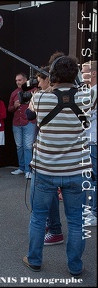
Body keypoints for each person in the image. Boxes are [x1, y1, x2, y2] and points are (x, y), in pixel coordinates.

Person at [22, 53, 93, 278]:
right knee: (76, 220)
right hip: (76, 171)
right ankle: (75, 266)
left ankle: (34, 260)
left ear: (52, 76)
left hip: (45, 171)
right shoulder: (87, 98)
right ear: (76, 75)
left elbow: (28, 114)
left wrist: (49, 88)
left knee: (38, 217)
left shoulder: (40, 98)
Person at [28, 66, 64, 245]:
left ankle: (53, 231)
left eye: (40, 79)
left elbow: (28, 115)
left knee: (38, 205)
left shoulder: (41, 98)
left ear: (48, 80)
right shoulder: (74, 97)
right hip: (63, 160)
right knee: (71, 215)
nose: (37, 83)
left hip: (46, 160)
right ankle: (54, 227)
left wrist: (35, 98)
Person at [8, 72, 37, 179]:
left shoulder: (32, 91)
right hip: (16, 123)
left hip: (29, 122)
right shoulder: (14, 93)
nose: (18, 82)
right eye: (16, 80)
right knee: (19, 146)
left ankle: (28, 170)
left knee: (28, 146)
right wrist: (14, 106)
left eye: (19, 80)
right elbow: (9, 108)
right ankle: (21, 167)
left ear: (25, 80)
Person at [81, 60, 97, 227]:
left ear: (93, 73)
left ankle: (93, 212)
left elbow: (85, 116)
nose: (81, 75)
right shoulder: (90, 91)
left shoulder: (93, 92)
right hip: (91, 139)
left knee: (93, 178)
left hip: (93, 140)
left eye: (84, 71)